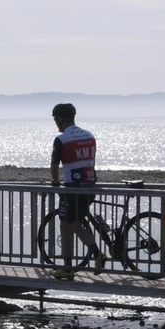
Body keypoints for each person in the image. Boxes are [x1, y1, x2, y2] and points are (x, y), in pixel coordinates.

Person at [49, 103, 99, 280]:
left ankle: (72, 266)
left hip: (72, 189)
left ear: (60, 119)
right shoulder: (89, 135)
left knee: (67, 223)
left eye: (55, 119)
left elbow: (54, 167)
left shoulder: (61, 139)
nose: (55, 122)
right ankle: (88, 257)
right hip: (90, 186)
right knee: (73, 223)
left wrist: (55, 184)